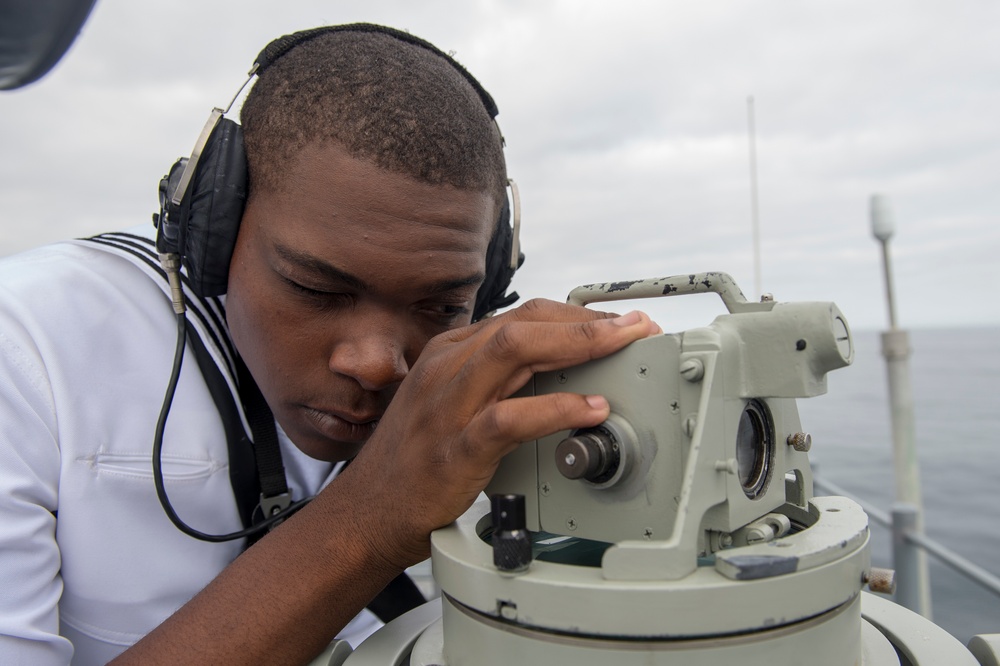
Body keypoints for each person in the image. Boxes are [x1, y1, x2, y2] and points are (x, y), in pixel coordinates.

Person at [0, 24, 659, 665]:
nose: (376, 363)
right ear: (215, 230)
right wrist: (368, 520)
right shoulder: (26, 345)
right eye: (315, 289)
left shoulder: (467, 402)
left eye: (442, 306)